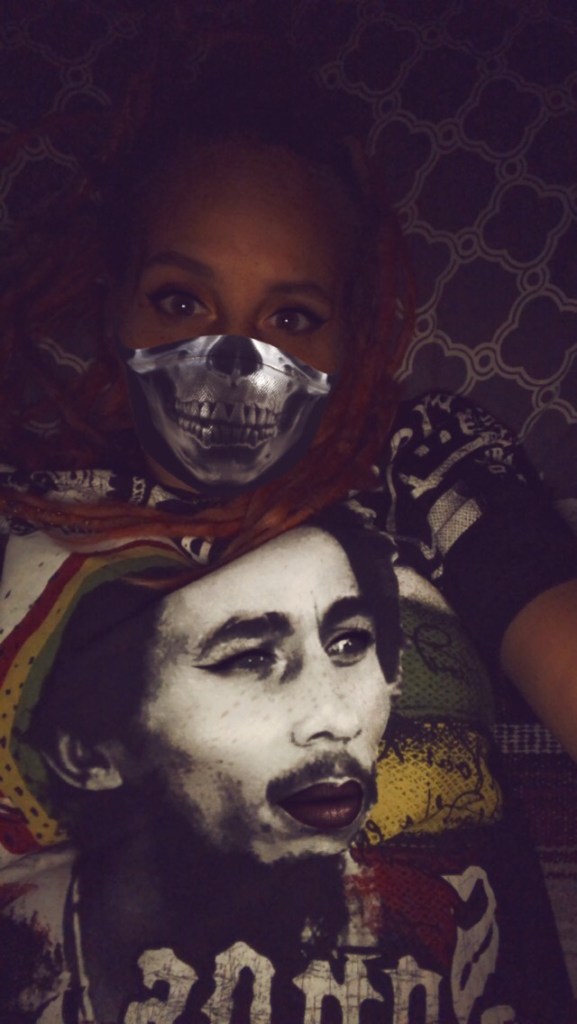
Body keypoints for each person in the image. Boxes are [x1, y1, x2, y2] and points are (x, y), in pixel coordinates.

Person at [1, 36, 576, 1024]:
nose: (233, 361)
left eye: (292, 316)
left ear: (350, 332)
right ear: (116, 307)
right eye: (182, 301)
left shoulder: (419, 468)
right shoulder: (25, 515)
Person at [1, 518, 401, 1021]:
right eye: (249, 659)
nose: (339, 719)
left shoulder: (446, 916)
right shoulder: (22, 946)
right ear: (88, 755)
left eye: (348, 643)